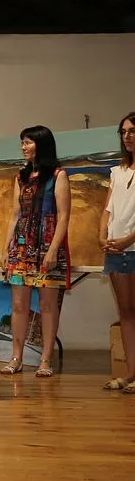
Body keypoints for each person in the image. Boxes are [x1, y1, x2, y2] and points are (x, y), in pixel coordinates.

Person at [0, 125, 71, 378]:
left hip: (48, 246)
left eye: (28, 142)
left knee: (47, 305)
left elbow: (63, 217)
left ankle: (45, 359)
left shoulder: (59, 176)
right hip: (21, 247)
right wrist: (7, 248)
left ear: (41, 144)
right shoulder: (20, 176)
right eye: (22, 142)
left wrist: (53, 251)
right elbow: (14, 214)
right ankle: (15, 357)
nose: (24, 147)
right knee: (19, 304)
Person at [99, 111, 135, 393]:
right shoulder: (117, 171)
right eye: (123, 132)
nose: (127, 136)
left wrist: (128, 240)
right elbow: (108, 209)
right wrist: (103, 235)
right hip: (115, 249)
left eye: (132, 131)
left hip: (132, 247)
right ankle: (131, 374)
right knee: (125, 312)